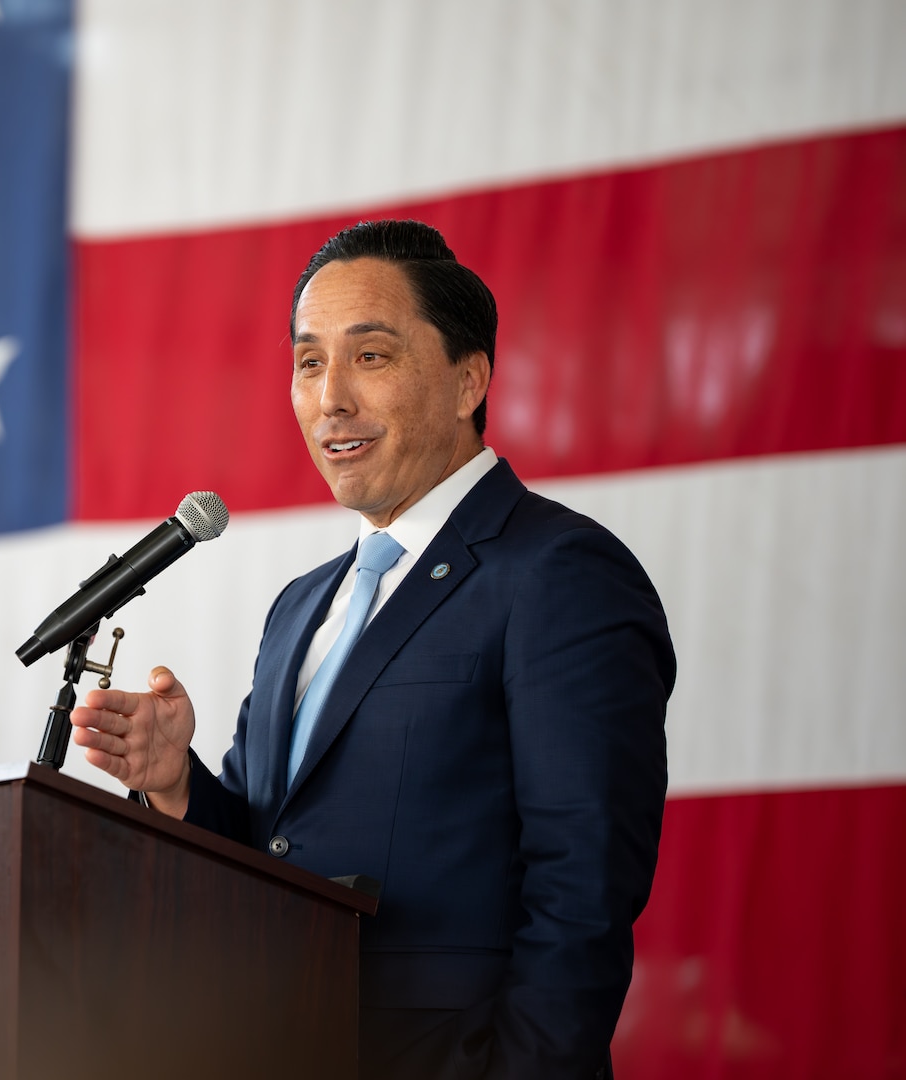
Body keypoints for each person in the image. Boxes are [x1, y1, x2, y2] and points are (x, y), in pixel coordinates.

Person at [70, 220, 674, 1079]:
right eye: (309, 362)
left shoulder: (561, 573)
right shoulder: (301, 605)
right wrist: (177, 786)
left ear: (470, 379)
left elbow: (582, 895)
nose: (331, 400)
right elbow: (264, 855)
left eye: (372, 357)